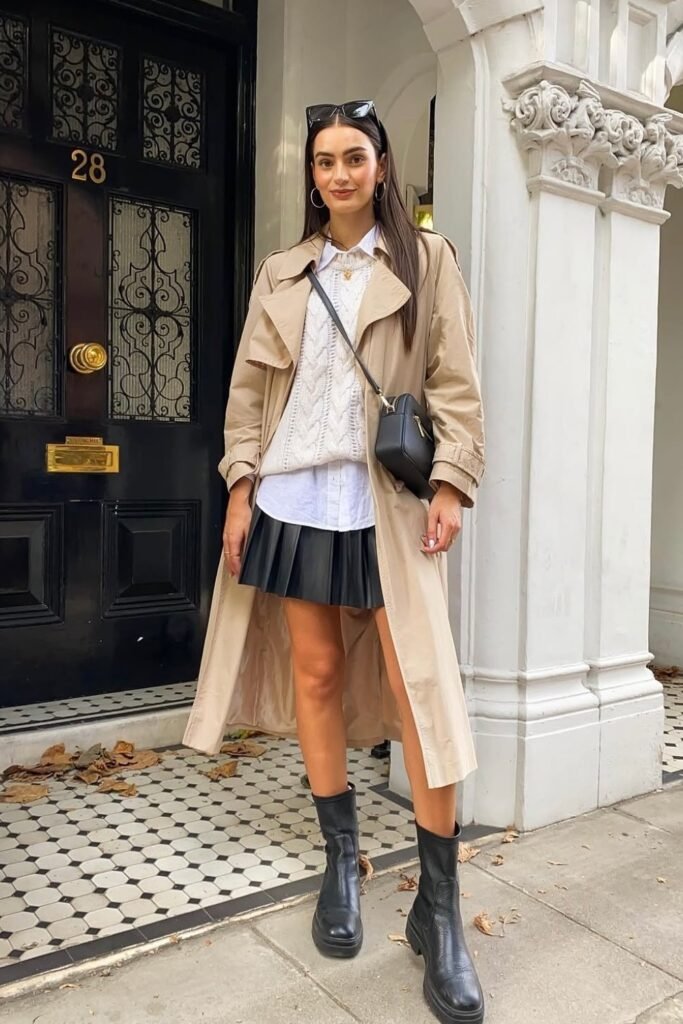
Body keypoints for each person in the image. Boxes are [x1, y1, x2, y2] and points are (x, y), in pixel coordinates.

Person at [183, 99, 486, 1024]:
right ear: (311, 174)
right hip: (292, 497)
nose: (339, 174)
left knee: (418, 690)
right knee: (314, 674)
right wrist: (240, 485)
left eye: (354, 157)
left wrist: (450, 483)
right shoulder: (283, 271)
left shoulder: (425, 260)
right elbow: (245, 391)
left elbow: (454, 383)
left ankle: (438, 911)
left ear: (382, 166)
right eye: (324, 162)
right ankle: (340, 863)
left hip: (382, 501)